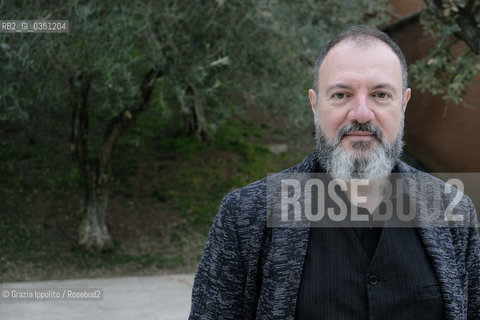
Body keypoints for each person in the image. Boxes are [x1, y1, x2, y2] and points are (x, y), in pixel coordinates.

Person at [189, 25, 480, 319]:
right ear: (315, 105)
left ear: (403, 104)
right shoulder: (245, 217)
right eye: (341, 95)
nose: (362, 114)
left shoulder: (453, 212)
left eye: (380, 94)